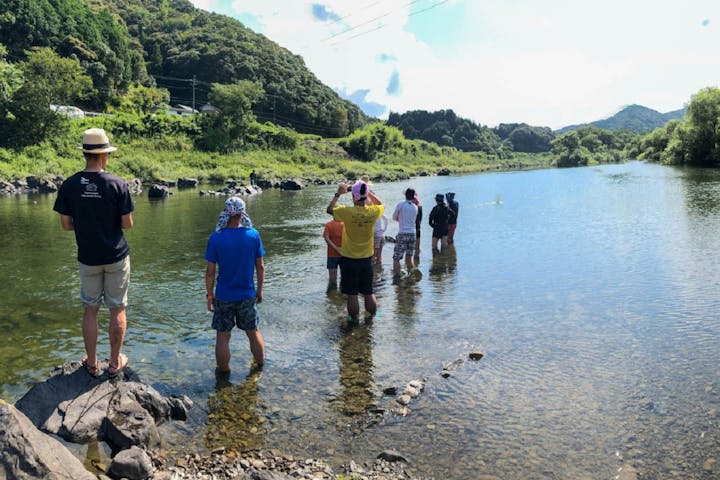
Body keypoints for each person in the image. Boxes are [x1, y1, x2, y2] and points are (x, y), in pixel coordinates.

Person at [53, 128, 134, 378]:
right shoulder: (117, 184)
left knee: (90, 309)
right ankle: (113, 363)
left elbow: (66, 225)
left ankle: (91, 364)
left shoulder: (69, 185)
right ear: (104, 156)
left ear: (85, 154)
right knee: (117, 308)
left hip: (87, 257)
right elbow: (127, 223)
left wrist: (87, 224)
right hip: (116, 256)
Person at [205, 197, 266, 373]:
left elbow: (210, 272)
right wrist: (259, 291)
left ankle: (223, 372)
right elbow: (260, 267)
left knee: (223, 337)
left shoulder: (216, 237)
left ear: (225, 212)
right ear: (242, 213)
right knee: (253, 332)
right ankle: (260, 367)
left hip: (223, 295)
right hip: (247, 294)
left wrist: (210, 296)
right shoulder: (253, 235)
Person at [326, 180, 384, 322]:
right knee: (368, 292)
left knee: (352, 294)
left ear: (353, 197)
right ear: (366, 196)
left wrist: (338, 194)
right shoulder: (373, 211)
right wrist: (367, 191)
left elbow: (329, 209)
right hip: (367, 258)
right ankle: (371, 317)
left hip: (349, 258)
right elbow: (380, 204)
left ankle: (353, 320)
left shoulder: (347, 211)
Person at [392, 188, 419, 276]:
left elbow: (394, 217)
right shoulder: (415, 207)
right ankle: (412, 277)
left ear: (405, 195)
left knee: (396, 258)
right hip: (413, 234)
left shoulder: (401, 204)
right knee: (409, 257)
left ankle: (397, 278)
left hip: (403, 233)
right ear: (413, 196)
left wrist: (399, 219)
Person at [323, 218, 344, 287]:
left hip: (332, 254)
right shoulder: (345, 224)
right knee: (344, 278)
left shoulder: (328, 225)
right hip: (344, 254)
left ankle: (332, 295)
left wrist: (335, 248)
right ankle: (342, 294)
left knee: (332, 279)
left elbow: (326, 238)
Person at [413, 192, 422, 257]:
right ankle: (417, 255)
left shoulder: (411, 206)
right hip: (418, 226)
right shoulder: (419, 207)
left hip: (412, 227)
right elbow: (420, 218)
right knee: (417, 241)